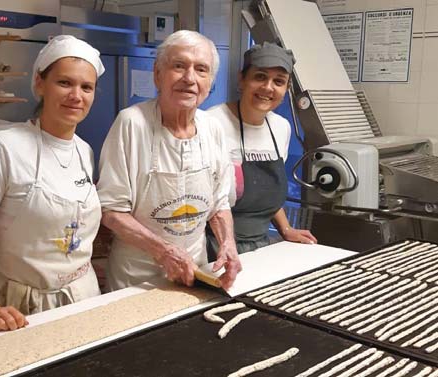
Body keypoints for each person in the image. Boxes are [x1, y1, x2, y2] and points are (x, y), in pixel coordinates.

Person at [0, 35, 105, 332]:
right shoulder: (4, 147)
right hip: (17, 304)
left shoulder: (84, 150)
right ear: (40, 84)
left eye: (86, 87)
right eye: (64, 83)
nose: (76, 95)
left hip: (81, 296)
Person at [97, 30, 242, 291]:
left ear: (210, 83)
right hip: (137, 277)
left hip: (195, 272)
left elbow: (219, 204)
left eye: (201, 70)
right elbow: (112, 212)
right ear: (157, 75)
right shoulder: (131, 123)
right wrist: (164, 252)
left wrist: (227, 243)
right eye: (178, 66)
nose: (189, 78)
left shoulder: (213, 128)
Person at [206, 42, 317, 256]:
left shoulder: (280, 128)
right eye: (259, 77)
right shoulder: (211, 123)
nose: (268, 87)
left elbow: (266, 192)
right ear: (242, 79)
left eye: (279, 81)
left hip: (260, 246)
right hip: (213, 246)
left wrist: (285, 229)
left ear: (286, 89)